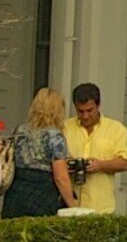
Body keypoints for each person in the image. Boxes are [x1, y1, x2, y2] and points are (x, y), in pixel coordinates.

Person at [4, 88, 75, 219]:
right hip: (43, 191)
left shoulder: (20, 130)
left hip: (16, 190)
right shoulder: (55, 137)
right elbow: (61, 178)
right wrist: (73, 206)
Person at [65, 82, 127, 215]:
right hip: (70, 207)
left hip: (101, 207)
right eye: (81, 111)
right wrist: (66, 166)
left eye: (89, 110)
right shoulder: (65, 128)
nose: (85, 116)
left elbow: (125, 163)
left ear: (98, 105)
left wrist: (100, 165)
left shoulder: (116, 129)